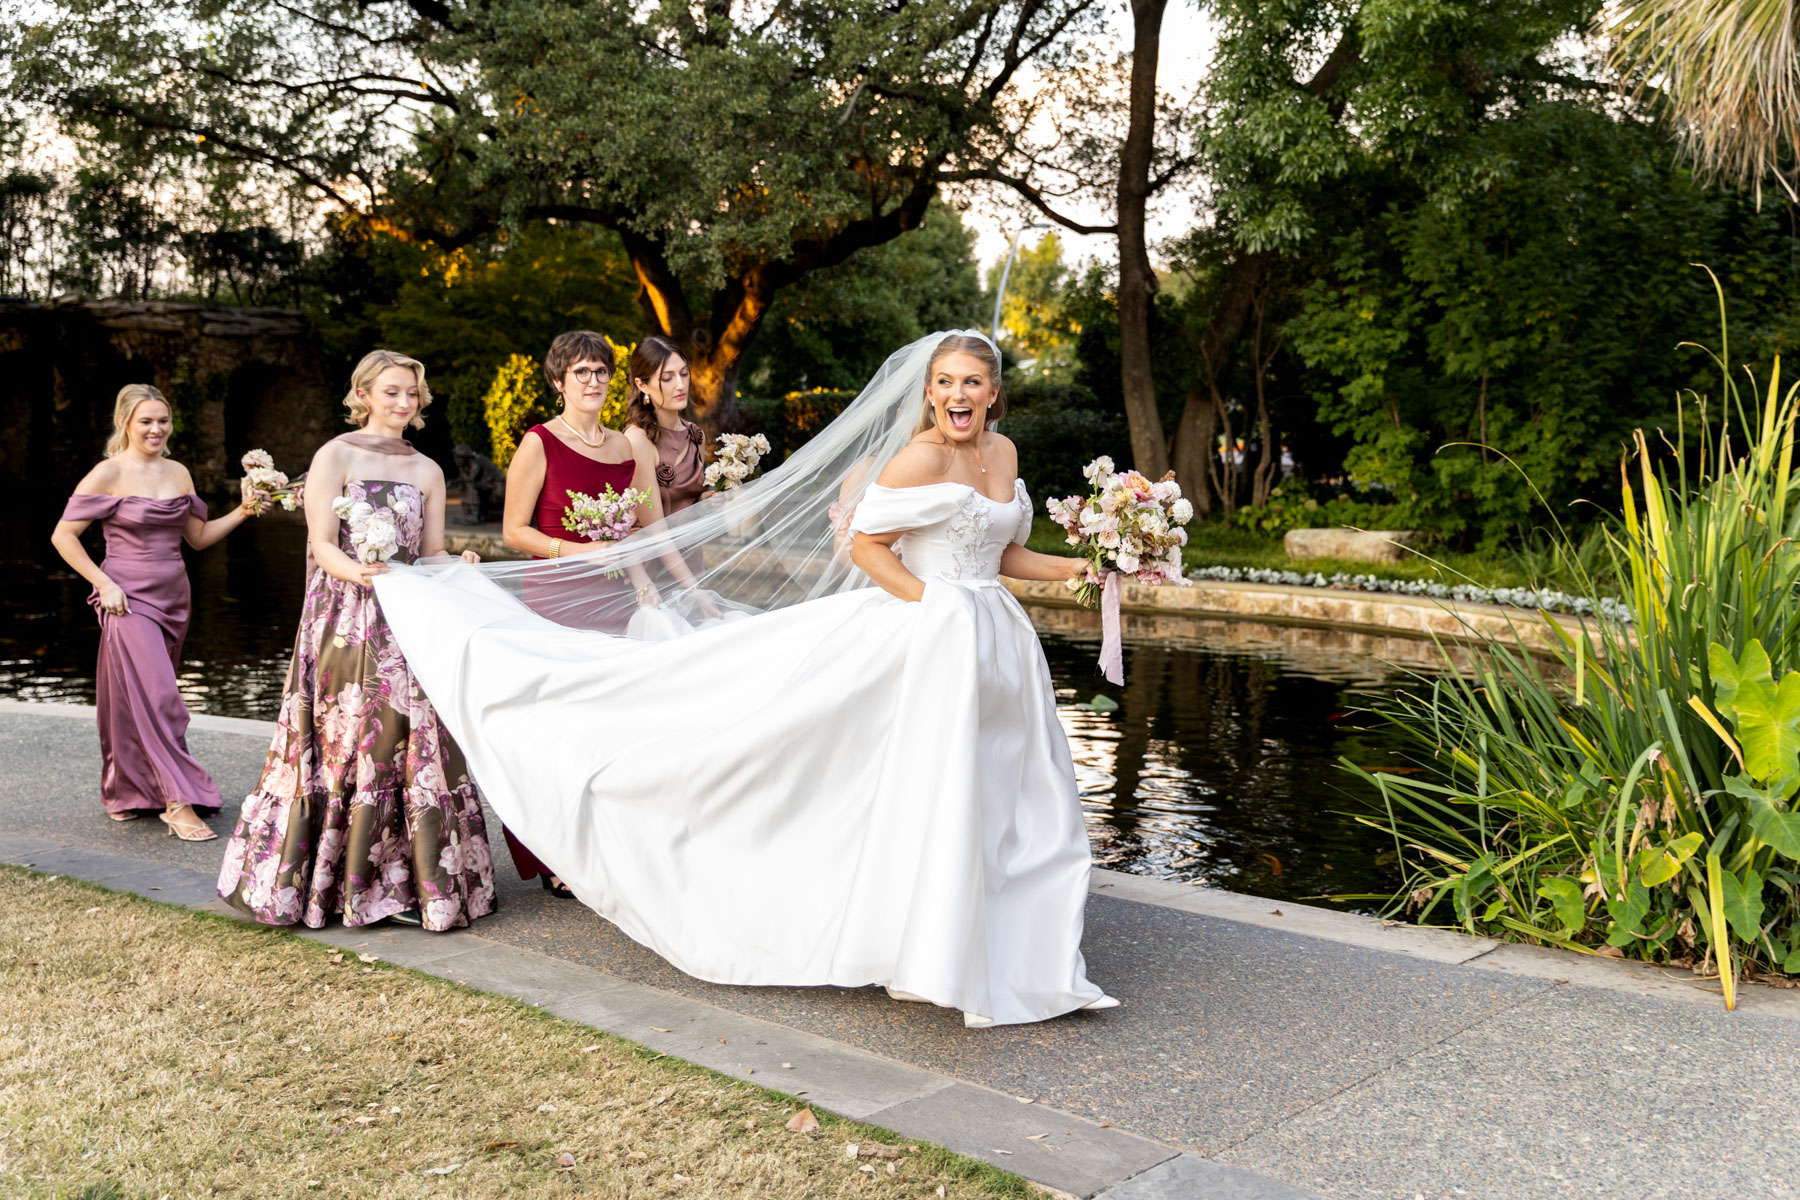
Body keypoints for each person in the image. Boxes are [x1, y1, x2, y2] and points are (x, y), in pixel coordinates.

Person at [376, 331, 1117, 1025]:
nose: (958, 394)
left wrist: (1088, 565)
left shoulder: (1004, 452)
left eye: (973, 383)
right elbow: (866, 546)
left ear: (993, 392)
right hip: (935, 632)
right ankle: (921, 938)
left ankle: (993, 933)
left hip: (997, 639)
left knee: (1001, 782)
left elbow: (1002, 553)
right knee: (925, 780)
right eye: (946, 382)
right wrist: (937, 605)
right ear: (929, 391)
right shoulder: (918, 458)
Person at [216, 350, 496, 931]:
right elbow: (322, 543)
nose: (404, 402)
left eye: (412, 393)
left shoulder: (428, 469)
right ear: (363, 394)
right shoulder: (335, 455)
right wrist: (364, 575)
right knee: (349, 738)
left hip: (408, 619)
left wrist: (459, 564)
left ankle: (408, 885)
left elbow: (430, 553)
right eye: (392, 391)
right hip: (344, 616)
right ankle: (334, 882)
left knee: (407, 740)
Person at [50, 384, 257, 840]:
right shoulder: (108, 473)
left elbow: (197, 539)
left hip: (174, 597)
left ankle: (128, 791)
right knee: (161, 696)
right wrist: (103, 583)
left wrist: (244, 510)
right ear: (125, 423)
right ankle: (177, 802)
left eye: (163, 420)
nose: (156, 429)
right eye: (146, 421)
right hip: (126, 597)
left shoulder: (179, 472)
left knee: (135, 697)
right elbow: (63, 536)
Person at [622, 335, 710, 519]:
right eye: (667, 378)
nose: (681, 385)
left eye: (684, 374)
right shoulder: (638, 440)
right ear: (642, 385)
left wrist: (703, 502)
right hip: (656, 538)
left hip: (692, 537)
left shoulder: (696, 434)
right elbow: (655, 529)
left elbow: (686, 507)